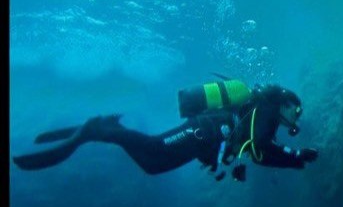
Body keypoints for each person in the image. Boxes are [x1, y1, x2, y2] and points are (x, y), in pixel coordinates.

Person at [12, 80, 319, 182]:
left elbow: (259, 147)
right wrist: (296, 158)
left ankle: (111, 130)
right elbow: (262, 152)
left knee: (152, 166)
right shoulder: (266, 111)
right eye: (297, 109)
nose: (296, 116)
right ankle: (100, 129)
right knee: (156, 148)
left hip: (204, 140)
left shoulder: (263, 115)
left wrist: (293, 156)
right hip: (202, 131)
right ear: (286, 103)